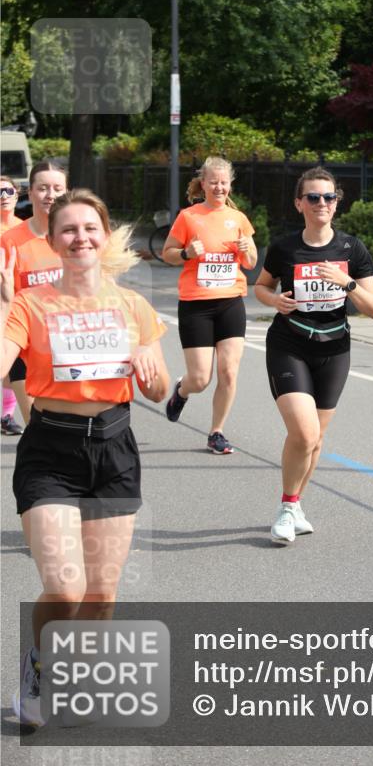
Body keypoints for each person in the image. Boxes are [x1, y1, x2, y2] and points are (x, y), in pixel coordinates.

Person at [1, 188, 169, 727]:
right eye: (68, 230)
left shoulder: (133, 306)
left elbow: (161, 391)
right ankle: (40, 666)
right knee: (68, 584)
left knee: (99, 594)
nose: (80, 238)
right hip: (50, 448)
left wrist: (148, 360)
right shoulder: (31, 304)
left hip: (115, 447)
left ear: (104, 235)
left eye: (89, 228)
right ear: (51, 241)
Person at [254, 168, 373, 545]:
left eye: (329, 197)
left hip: (334, 349)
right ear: (299, 204)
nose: (321, 203)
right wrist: (274, 300)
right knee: (304, 432)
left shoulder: (351, 249)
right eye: (313, 197)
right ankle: (288, 506)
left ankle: (295, 506)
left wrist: (348, 283)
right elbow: (260, 286)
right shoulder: (284, 247)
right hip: (289, 344)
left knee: (317, 439)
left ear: (337, 203)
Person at [161, 157, 257, 455]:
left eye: (224, 182)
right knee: (201, 378)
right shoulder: (189, 217)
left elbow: (252, 263)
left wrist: (246, 250)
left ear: (230, 185)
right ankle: (182, 390)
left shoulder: (238, 219)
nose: (219, 187)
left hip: (230, 302)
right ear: (203, 183)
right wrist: (187, 253)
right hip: (196, 304)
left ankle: (217, 432)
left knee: (229, 372)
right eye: (213, 182)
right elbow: (168, 253)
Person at [1, 161, 68, 429]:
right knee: (37, 429)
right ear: (30, 193)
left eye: (57, 188)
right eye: (42, 188)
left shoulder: (76, 237)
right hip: (26, 345)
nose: (50, 194)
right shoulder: (11, 241)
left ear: (67, 192)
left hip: (68, 346)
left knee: (69, 431)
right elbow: (6, 298)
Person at [0, 175, 23, 434]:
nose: (3, 195)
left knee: (11, 359)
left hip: (15, 302)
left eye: (8, 190)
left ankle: (6, 416)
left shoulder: (24, 230)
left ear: (17, 195)